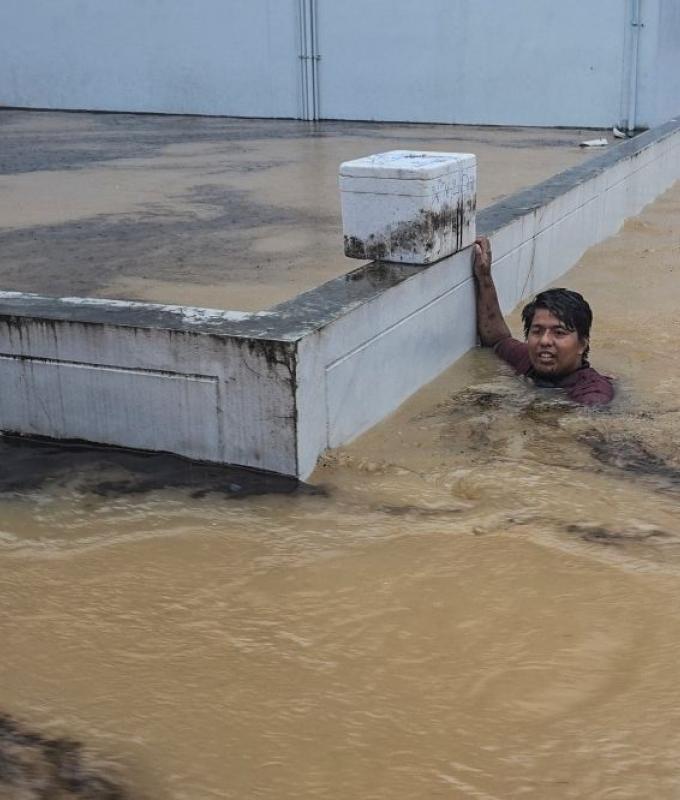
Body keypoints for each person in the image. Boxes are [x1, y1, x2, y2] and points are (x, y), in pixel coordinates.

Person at [471, 236, 614, 406]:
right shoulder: (529, 362)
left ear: (582, 344)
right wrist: (484, 276)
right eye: (537, 331)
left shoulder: (593, 395)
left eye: (559, 333)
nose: (544, 341)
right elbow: (498, 340)